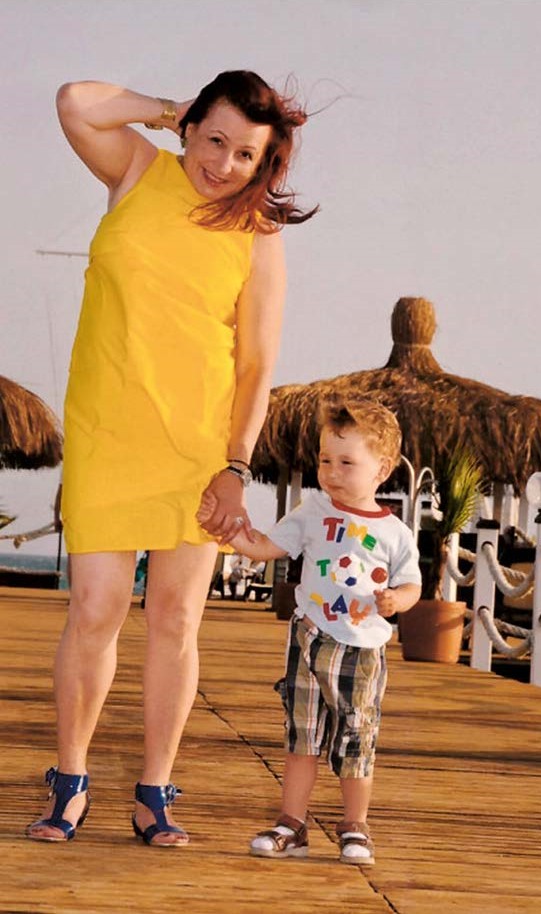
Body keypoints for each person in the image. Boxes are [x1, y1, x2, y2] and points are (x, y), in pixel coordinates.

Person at [26, 70, 316, 846]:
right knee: (95, 609)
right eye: (213, 139)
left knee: (176, 618)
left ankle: (154, 788)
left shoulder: (258, 235)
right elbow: (75, 101)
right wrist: (165, 110)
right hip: (107, 431)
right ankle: (70, 778)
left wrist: (235, 465)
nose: (223, 164)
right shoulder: (134, 170)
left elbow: (255, 364)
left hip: (197, 447)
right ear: (189, 128)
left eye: (245, 154)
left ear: (264, 164)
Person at [198, 396, 421, 865]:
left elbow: (412, 584)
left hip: (361, 650)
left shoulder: (395, 533)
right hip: (309, 639)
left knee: (356, 739)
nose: (332, 472)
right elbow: (269, 546)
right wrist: (232, 535)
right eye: (325, 460)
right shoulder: (312, 509)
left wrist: (397, 601)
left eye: (346, 463)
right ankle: (292, 824)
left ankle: (355, 825)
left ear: (382, 470)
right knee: (301, 737)